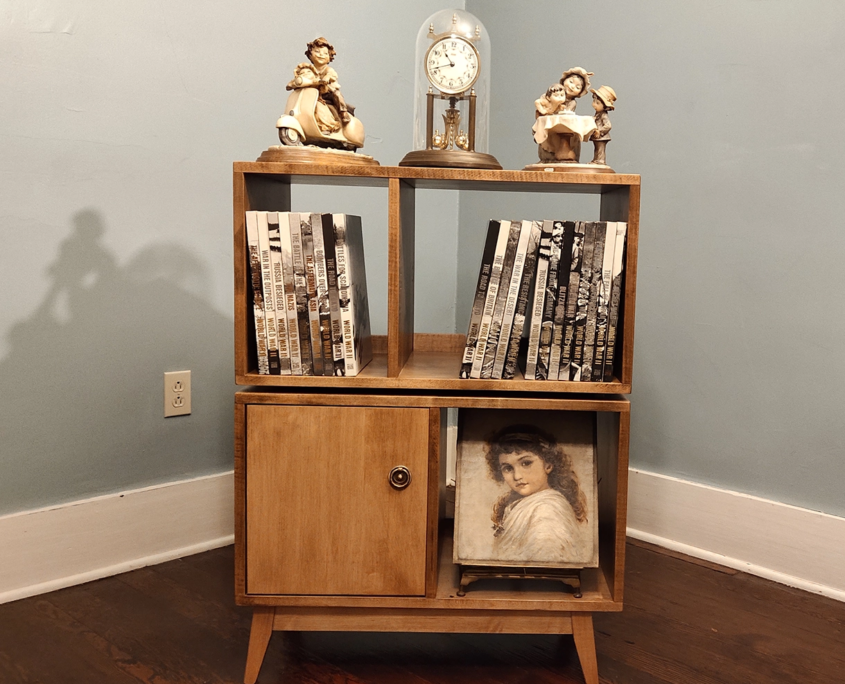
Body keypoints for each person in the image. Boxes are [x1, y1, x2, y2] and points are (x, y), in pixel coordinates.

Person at [484, 424, 588, 563]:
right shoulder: (519, 503)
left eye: (526, 463)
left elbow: (546, 559)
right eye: (508, 468)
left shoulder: (548, 511)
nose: (517, 476)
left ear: (548, 465)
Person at [287, 37, 352, 133]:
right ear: (310, 54)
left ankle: (343, 112)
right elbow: (304, 77)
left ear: (330, 57)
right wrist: (294, 82)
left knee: (337, 94)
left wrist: (326, 78)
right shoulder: (309, 69)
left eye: (325, 53)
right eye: (317, 52)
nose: (321, 55)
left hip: (327, 92)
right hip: (314, 93)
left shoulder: (328, 69)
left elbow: (332, 75)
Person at [589, 85, 617, 165]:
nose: (594, 104)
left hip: (602, 136)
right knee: (597, 148)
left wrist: (600, 131)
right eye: (594, 102)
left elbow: (608, 125)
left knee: (600, 149)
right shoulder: (598, 114)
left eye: (597, 103)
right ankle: (596, 160)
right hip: (597, 136)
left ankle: (600, 161)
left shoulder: (604, 115)